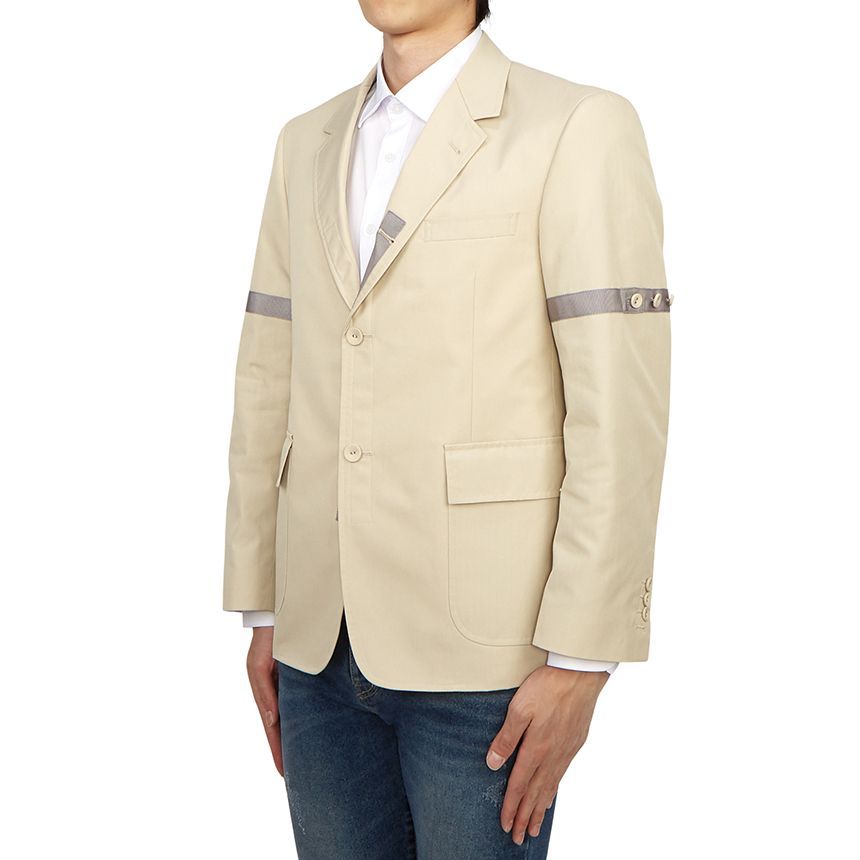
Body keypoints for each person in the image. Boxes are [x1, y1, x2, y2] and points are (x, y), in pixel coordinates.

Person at [223, 1, 671, 856]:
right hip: (317, 643)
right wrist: (264, 605)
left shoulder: (575, 126)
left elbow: (620, 409)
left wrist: (584, 659)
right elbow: (267, 376)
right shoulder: (304, 143)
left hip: (490, 655)